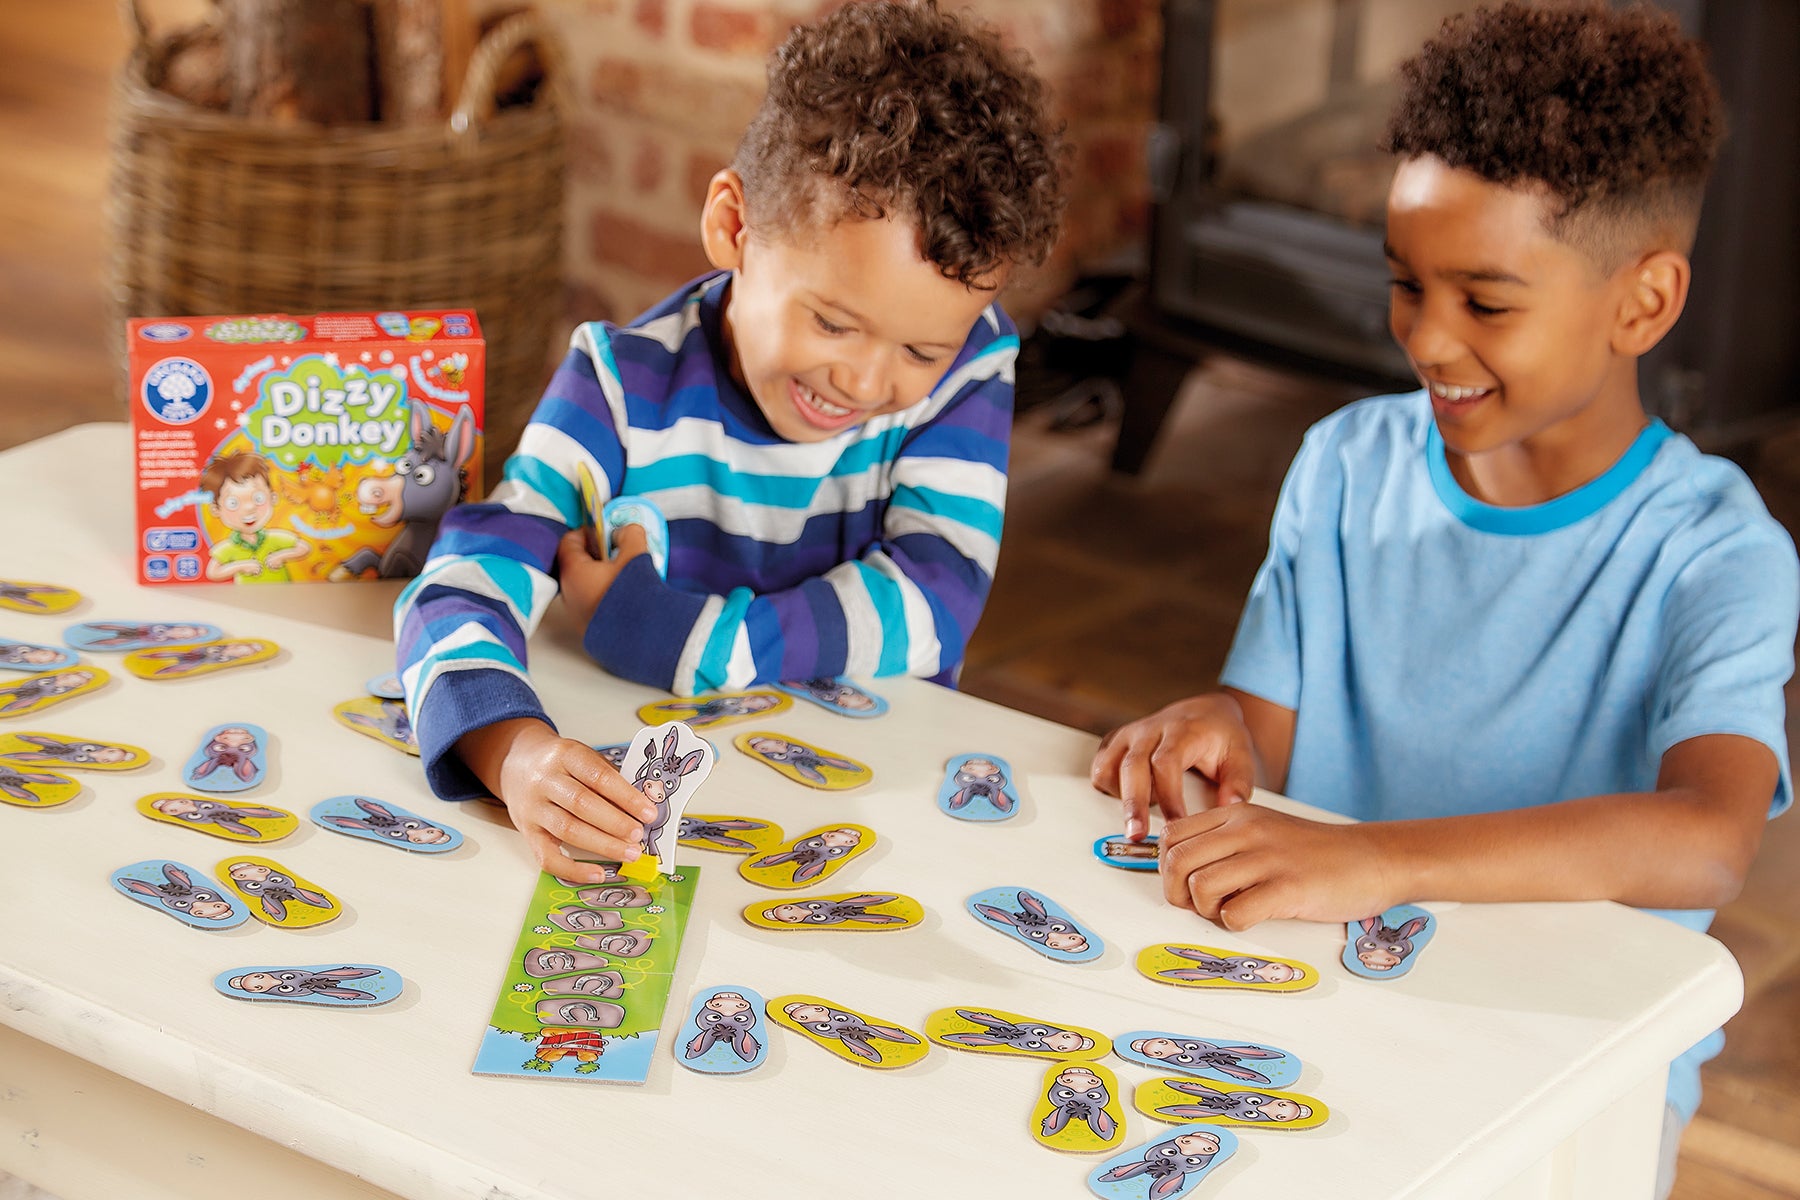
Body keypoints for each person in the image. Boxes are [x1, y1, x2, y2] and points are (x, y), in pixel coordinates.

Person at [1088, 4, 1797, 1187]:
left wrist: (1378, 862)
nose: (1425, 336)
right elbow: (1265, 729)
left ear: (1643, 304)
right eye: (1405, 283)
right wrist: (1214, 726)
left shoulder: (1716, 551)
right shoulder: (1343, 466)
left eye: (1486, 301)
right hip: (1321, 1012)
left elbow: (1708, 840)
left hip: (1569, 1067)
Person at [394, 0, 1065, 880]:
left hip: (873, 817)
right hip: (660, 818)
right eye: (833, 323)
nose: (866, 383)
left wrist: (686, 640)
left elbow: (935, 602)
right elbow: (465, 578)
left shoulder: (970, 368)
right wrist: (511, 750)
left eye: (918, 352)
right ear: (734, 228)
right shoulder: (619, 384)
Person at [200, 452, 310, 581]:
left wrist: (281, 556)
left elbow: (304, 548)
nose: (249, 508)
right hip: (243, 594)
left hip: (283, 591)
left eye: (258, 498)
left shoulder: (274, 537)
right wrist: (241, 566)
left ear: (273, 498)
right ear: (216, 509)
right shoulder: (228, 547)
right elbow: (213, 573)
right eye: (233, 503)